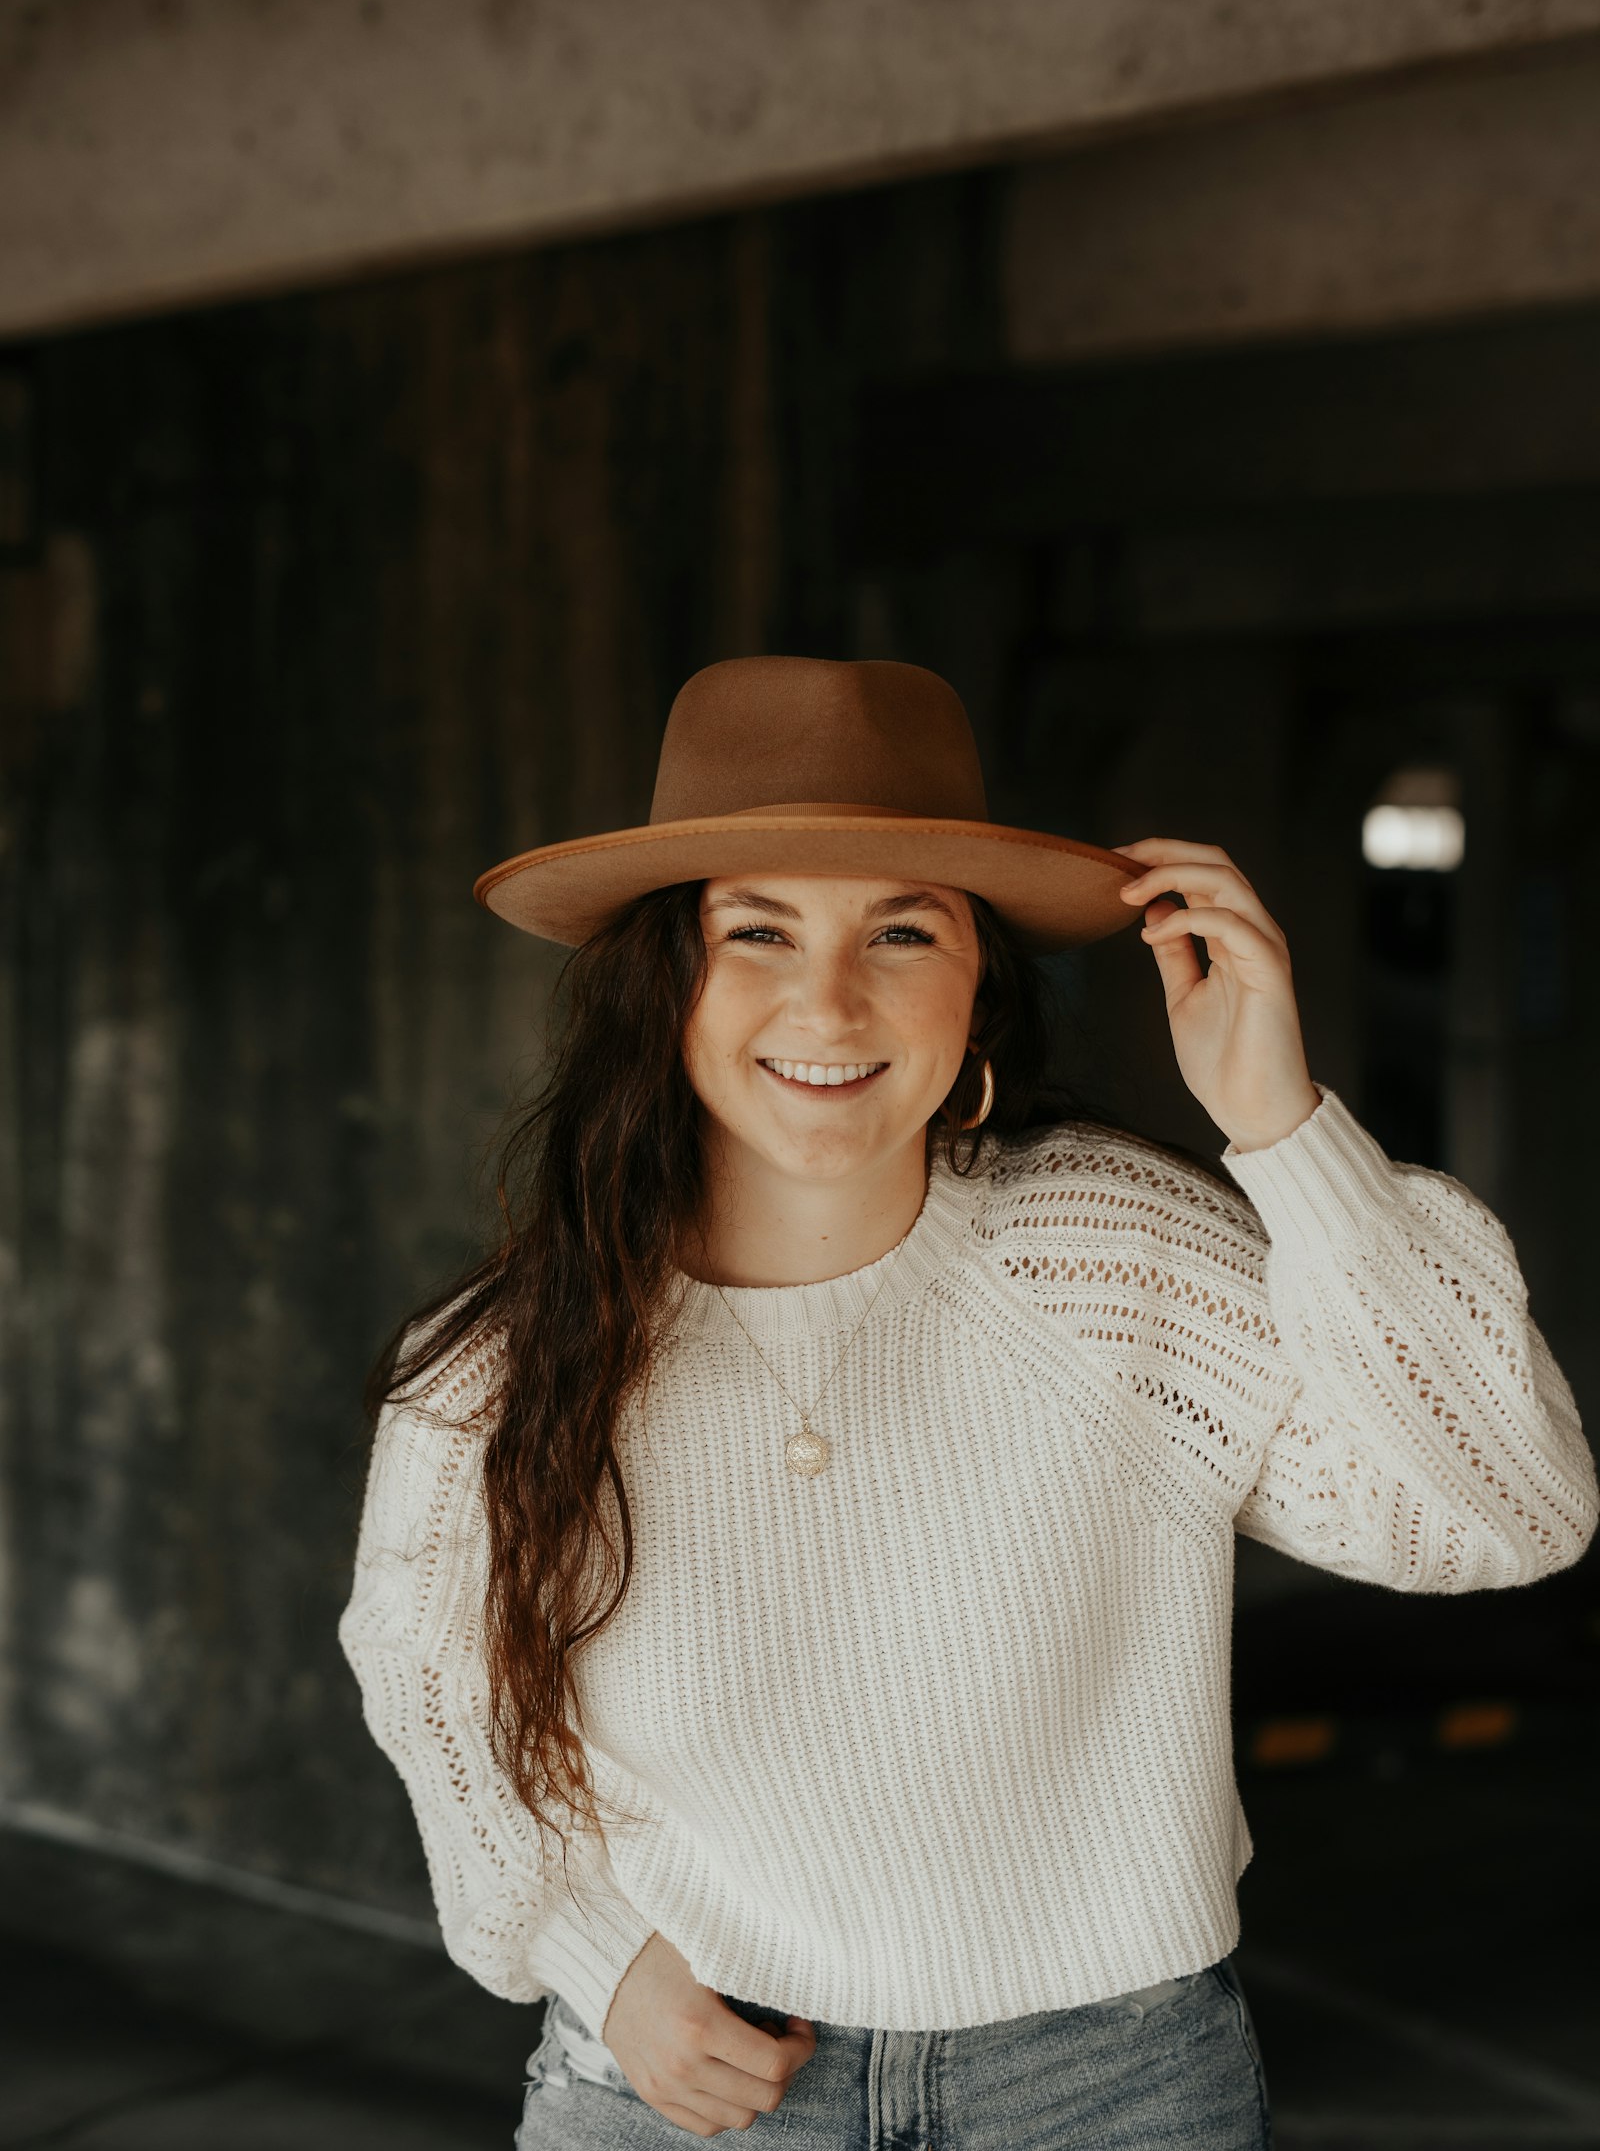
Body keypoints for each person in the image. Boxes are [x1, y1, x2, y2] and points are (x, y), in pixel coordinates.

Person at [337, 655, 1598, 2149]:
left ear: (977, 983)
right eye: (758, 929)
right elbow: (435, 1684)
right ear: (663, 979)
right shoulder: (503, 1360)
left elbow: (1505, 1511)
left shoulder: (1107, 1258)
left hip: (1113, 2091)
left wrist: (1279, 1122)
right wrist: (596, 1963)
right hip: (694, 2083)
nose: (830, 998)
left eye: (903, 928)